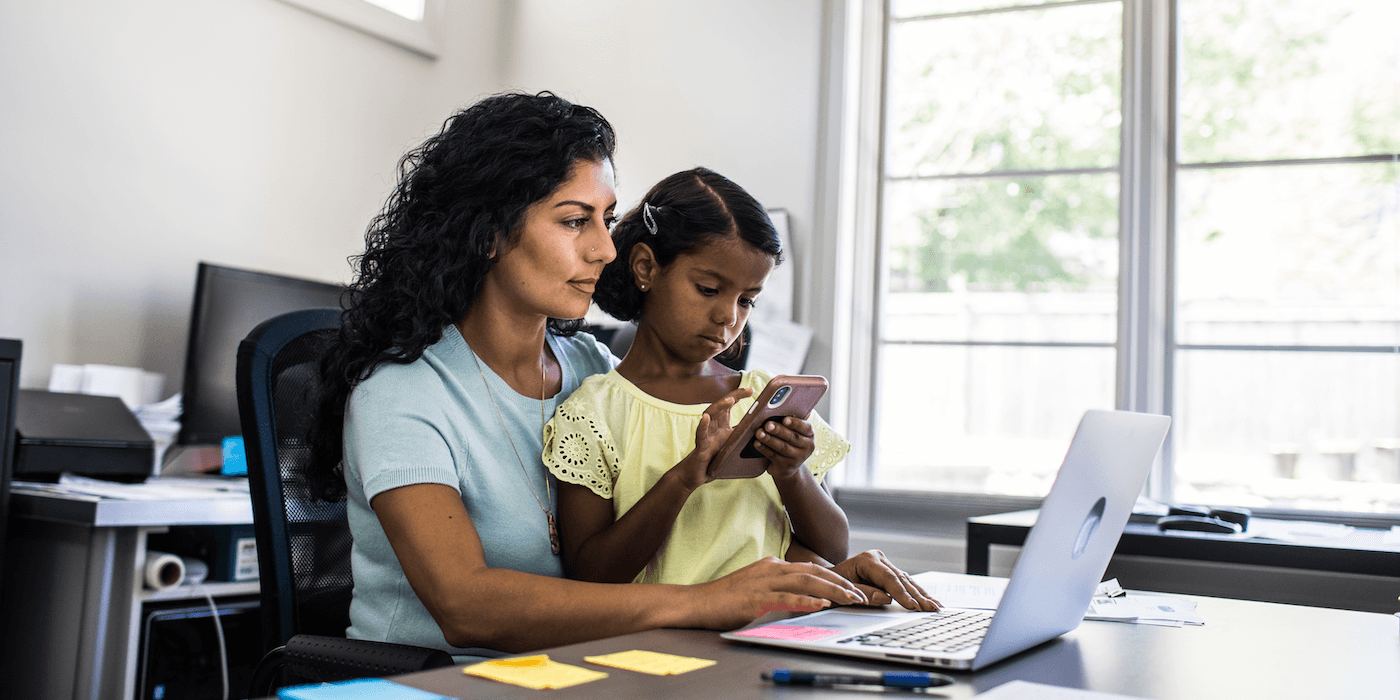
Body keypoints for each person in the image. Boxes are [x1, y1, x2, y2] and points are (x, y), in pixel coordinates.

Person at [309, 91, 938, 660]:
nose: (605, 250)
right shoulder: (402, 393)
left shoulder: (596, 371)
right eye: (575, 220)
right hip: (434, 681)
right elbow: (466, 608)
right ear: (491, 233)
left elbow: (701, 535)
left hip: (579, 673)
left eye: (606, 220)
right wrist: (710, 603)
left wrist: (818, 576)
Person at [542, 168, 858, 587]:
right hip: (658, 649)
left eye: (747, 300)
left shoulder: (760, 400)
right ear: (645, 268)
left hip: (771, 635)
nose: (729, 316)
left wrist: (792, 472)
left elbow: (835, 549)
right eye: (709, 289)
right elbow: (591, 573)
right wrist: (684, 476)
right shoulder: (594, 413)